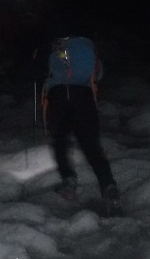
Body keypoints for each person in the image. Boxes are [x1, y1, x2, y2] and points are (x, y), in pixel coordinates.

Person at [38, 35, 123, 217]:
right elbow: (98, 75)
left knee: (60, 140)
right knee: (91, 144)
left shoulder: (59, 46)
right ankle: (108, 184)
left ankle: (68, 181)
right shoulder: (89, 49)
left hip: (59, 96)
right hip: (84, 97)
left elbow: (48, 69)